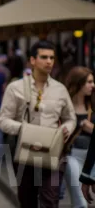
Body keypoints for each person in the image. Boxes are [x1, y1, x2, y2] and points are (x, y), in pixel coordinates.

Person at [0, 40, 76, 208]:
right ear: (32, 60)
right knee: (27, 200)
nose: (49, 61)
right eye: (44, 57)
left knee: (51, 199)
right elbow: (3, 121)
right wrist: (25, 130)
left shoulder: (60, 89)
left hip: (54, 152)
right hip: (25, 153)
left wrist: (66, 129)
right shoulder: (15, 88)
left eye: (52, 57)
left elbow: (71, 118)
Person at [63, 66, 94, 208]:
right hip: (73, 155)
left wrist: (91, 128)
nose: (93, 85)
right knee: (80, 201)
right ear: (78, 83)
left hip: (92, 158)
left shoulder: (93, 104)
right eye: (89, 82)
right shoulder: (65, 104)